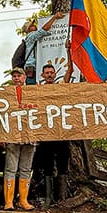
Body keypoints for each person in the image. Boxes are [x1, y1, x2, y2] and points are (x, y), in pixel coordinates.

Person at [33, 64, 71, 205]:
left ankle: (62, 198)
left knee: (63, 163)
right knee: (47, 164)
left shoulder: (61, 86)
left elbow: (70, 72)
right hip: (46, 133)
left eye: (51, 72)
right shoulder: (38, 89)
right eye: (46, 73)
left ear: (55, 74)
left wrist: (68, 52)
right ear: (43, 75)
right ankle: (48, 197)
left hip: (61, 132)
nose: (49, 75)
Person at [1, 67, 37, 210]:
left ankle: (23, 200)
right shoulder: (5, 94)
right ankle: (8, 201)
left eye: (19, 76)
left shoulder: (34, 92)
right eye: (14, 76)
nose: (16, 78)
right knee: (10, 168)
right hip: (12, 135)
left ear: (24, 77)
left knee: (26, 169)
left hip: (30, 136)